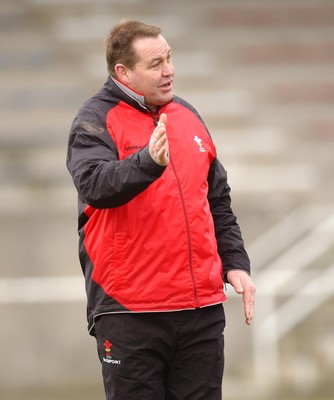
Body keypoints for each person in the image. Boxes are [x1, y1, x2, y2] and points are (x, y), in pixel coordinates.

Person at [66, 19, 255, 400]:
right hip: (130, 312)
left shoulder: (189, 116)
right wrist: (148, 162)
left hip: (200, 308)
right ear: (123, 72)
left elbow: (216, 200)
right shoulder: (93, 120)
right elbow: (95, 185)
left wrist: (235, 262)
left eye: (169, 58)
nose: (169, 70)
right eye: (155, 64)